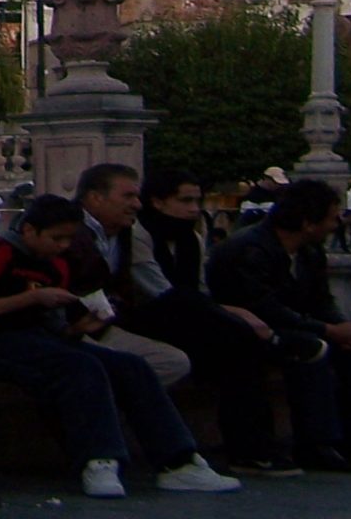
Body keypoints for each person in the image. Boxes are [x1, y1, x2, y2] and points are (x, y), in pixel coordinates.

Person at [0, 195, 237, 499]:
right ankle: (99, 458)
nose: (63, 246)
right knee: (81, 368)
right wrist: (32, 298)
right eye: (56, 238)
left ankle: (179, 461)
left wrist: (78, 328)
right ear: (29, 231)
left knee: (131, 366)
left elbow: (54, 325)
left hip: (43, 339)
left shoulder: (57, 265)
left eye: (68, 238)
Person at [130, 165, 299, 476]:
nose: (194, 209)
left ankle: (253, 446)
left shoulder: (191, 238)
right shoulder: (138, 235)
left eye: (197, 201)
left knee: (241, 343)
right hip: (149, 317)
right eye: (185, 201)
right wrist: (230, 314)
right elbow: (158, 291)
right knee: (237, 339)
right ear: (158, 201)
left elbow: (198, 291)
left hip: (187, 316)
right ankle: (249, 448)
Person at [209, 177, 351, 470]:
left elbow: (320, 300)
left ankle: (342, 442)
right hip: (245, 330)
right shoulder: (249, 249)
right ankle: (316, 445)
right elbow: (264, 307)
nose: (335, 224)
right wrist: (329, 330)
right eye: (330, 218)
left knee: (345, 350)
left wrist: (343, 329)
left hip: (286, 326)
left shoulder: (309, 251)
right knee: (312, 349)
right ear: (307, 223)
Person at [67, 165, 193, 391]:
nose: (137, 204)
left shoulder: (123, 231)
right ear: (95, 198)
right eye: (128, 196)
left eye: (137, 196)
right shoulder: (65, 228)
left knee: (174, 361)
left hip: (104, 325)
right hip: (70, 329)